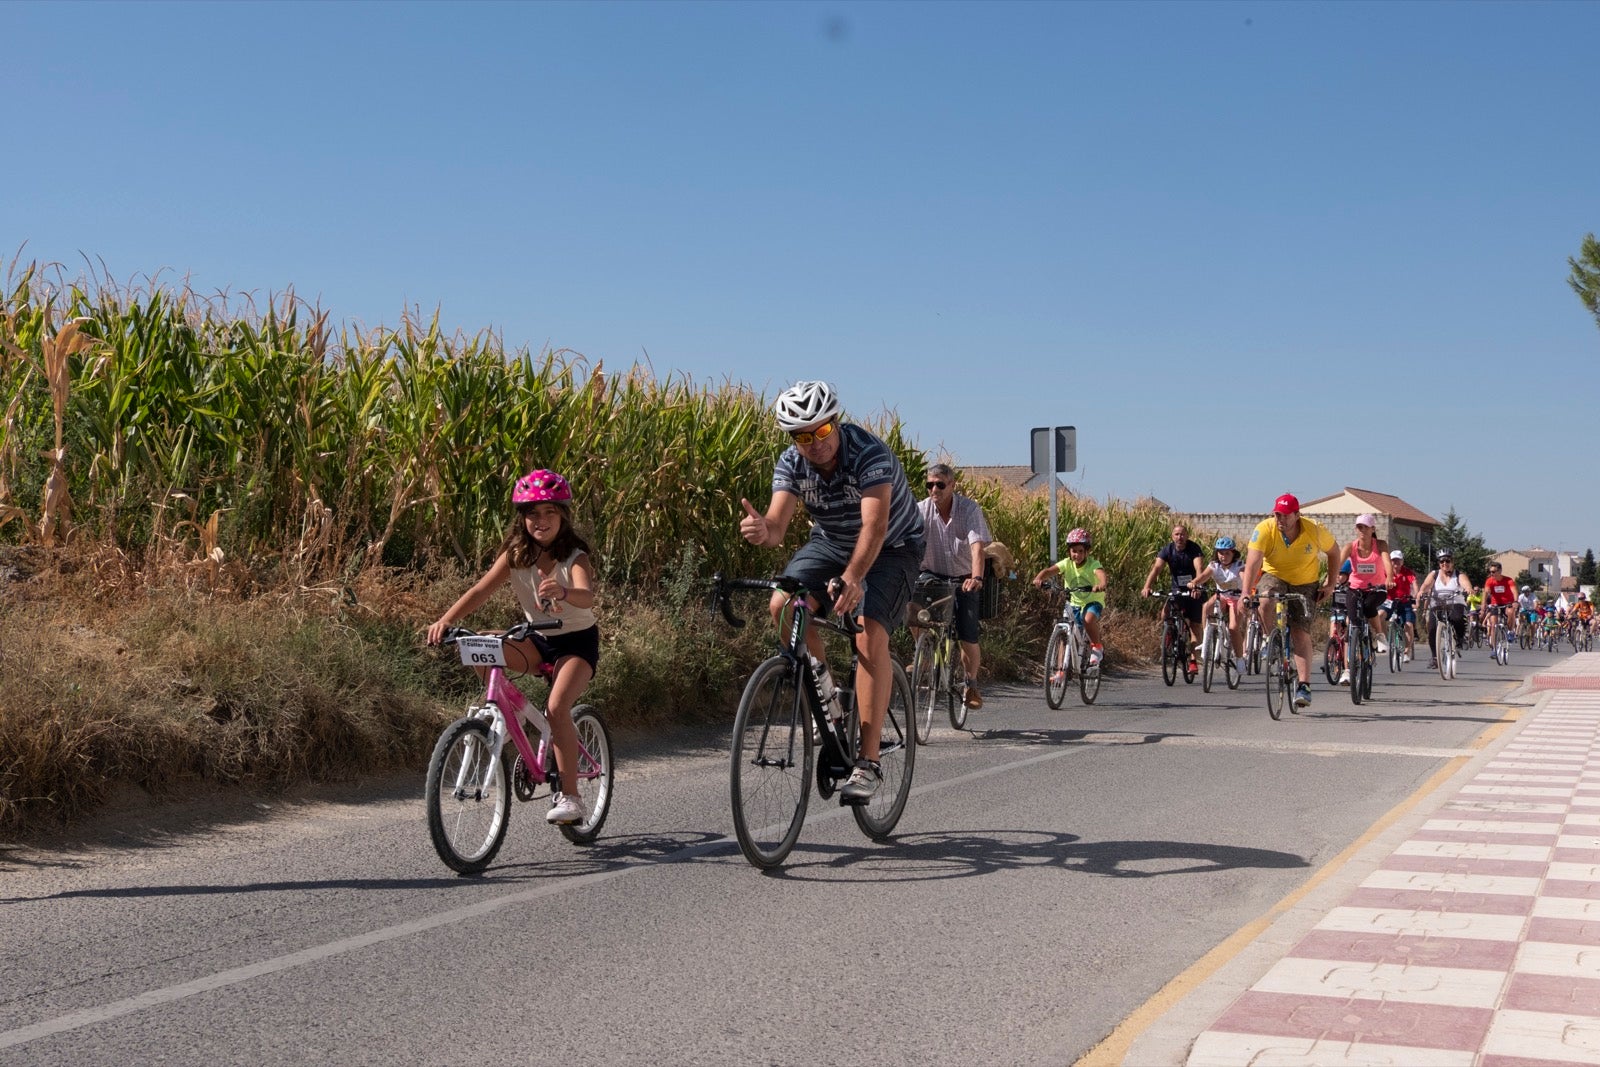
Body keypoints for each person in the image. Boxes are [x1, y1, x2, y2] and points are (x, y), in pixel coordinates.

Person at [739, 380, 923, 803]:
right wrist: (764, 530)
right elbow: (777, 526)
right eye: (803, 437)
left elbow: (875, 527)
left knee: (868, 633)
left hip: (893, 546)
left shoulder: (868, 454)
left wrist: (854, 577)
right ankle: (829, 699)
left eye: (822, 431)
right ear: (792, 439)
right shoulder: (792, 463)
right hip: (832, 542)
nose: (816, 444)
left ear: (835, 422)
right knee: (783, 605)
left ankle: (869, 761)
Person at [427, 469, 599, 825]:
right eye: (533, 513)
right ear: (522, 519)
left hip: (576, 644)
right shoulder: (516, 554)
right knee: (478, 644)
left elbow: (587, 596)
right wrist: (445, 620)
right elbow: (480, 590)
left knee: (556, 708)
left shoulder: (575, 556)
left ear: (563, 517)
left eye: (550, 512)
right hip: (537, 639)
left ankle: (571, 797)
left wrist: (563, 592)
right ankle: (511, 717)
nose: (541, 520)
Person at [1240, 493, 1341, 709]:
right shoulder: (1264, 529)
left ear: (1297, 515)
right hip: (1274, 575)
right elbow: (1253, 562)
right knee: (1266, 598)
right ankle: (1270, 639)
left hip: (1305, 582)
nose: (1280, 520)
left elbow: (1334, 552)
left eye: (1286, 515)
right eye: (1277, 515)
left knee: (1300, 632)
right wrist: (1245, 592)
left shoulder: (1314, 529)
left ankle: (1304, 686)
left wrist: (1330, 584)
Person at [914, 463, 993, 709]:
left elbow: (977, 547)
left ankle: (971, 684)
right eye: (929, 485)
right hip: (931, 574)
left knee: (967, 634)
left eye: (940, 484)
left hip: (964, 577)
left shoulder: (969, 509)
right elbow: (909, 541)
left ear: (952, 485)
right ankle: (924, 654)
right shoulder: (921, 510)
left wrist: (976, 578)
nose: (934, 490)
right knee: (913, 610)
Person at [1032, 527, 1109, 667]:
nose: (1077, 555)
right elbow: (1049, 571)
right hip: (1073, 602)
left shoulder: (1092, 564)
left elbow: (1100, 573)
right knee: (1064, 634)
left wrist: (1101, 584)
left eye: (1081, 551)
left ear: (1087, 552)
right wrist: (1039, 578)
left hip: (1092, 601)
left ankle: (1097, 647)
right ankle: (1060, 670)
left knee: (1087, 620)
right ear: (1069, 551)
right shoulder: (1066, 563)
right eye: (1074, 551)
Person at [1141, 523, 1206, 673]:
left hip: (1194, 590)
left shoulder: (1194, 548)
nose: (1179, 537)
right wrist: (1147, 586)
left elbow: (1199, 568)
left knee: (1195, 627)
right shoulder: (1167, 550)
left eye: (1182, 534)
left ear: (1187, 536)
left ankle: (1193, 660)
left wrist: (1197, 586)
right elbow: (1157, 568)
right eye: (1176, 534)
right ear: (1172, 536)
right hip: (1177, 590)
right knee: (1165, 614)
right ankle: (1170, 635)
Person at [1338, 514, 1391, 684]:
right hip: (1355, 588)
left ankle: (1380, 635)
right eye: (1359, 527)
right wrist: (1329, 581)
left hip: (1377, 589)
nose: (1362, 530)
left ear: (1373, 529)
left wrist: (1390, 577)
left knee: (1368, 607)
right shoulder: (1350, 547)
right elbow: (1338, 563)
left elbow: (1387, 562)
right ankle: (1347, 670)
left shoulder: (1380, 545)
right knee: (1352, 624)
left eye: (1366, 527)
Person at [1188, 536, 1248, 675]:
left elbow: (1245, 578)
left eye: (1227, 553)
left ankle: (1240, 659)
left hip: (1236, 597)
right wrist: (1194, 583)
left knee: (1233, 628)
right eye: (1221, 553)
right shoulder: (1214, 565)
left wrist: (1247, 591)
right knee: (1206, 607)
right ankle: (1206, 639)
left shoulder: (1238, 565)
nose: (1223, 556)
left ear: (1233, 553)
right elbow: (1203, 576)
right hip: (1221, 596)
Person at [1417, 548, 1474, 670]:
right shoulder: (1434, 574)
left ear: (1452, 562)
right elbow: (1426, 585)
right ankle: (1434, 657)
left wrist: (1468, 589)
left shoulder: (1459, 574)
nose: (1444, 563)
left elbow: (1465, 583)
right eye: (1441, 561)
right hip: (1437, 604)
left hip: (1455, 603)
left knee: (1457, 618)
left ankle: (1460, 638)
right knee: (1432, 628)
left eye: (1447, 561)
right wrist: (1422, 591)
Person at [1378, 548, 1418, 663]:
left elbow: (1414, 584)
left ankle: (1406, 651)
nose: (1396, 563)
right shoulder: (1385, 571)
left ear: (1402, 561)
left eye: (1398, 560)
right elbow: (1379, 581)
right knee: (1379, 615)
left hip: (1404, 601)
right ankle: (1384, 640)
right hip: (1389, 601)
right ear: (1390, 561)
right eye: (1393, 560)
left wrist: (1415, 596)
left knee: (1408, 625)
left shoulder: (1407, 572)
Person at [1480, 561, 1518, 648]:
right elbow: (1485, 592)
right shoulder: (1489, 581)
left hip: (1507, 603)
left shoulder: (1508, 580)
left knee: (1511, 611)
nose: (1491, 573)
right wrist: (1483, 604)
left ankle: (1510, 631)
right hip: (1495, 604)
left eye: (1493, 571)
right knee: (1493, 624)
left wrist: (1515, 601)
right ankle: (1494, 648)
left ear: (1500, 571)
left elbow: (1514, 591)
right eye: (1490, 572)